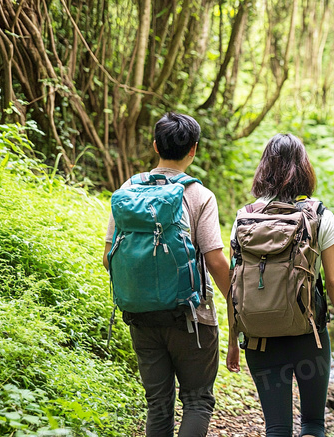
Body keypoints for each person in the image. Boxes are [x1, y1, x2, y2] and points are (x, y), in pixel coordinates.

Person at [226, 133, 334, 437]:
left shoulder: (244, 217)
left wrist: (232, 341)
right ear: (304, 168)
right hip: (309, 338)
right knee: (313, 424)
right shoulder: (318, 215)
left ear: (264, 168)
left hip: (260, 339)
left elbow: (236, 282)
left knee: (276, 428)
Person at [102, 112, 231, 437]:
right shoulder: (200, 196)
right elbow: (215, 261)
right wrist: (238, 302)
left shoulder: (128, 191)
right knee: (197, 401)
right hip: (192, 318)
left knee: (158, 404)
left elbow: (108, 258)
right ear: (194, 149)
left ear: (156, 145)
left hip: (141, 316)